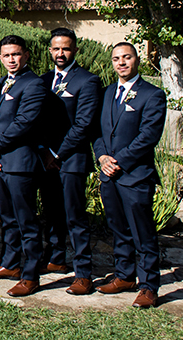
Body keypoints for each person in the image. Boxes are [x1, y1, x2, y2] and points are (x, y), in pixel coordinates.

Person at [94, 42, 166, 309]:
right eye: (116, 58)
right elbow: (97, 132)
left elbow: (148, 136)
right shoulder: (106, 93)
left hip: (135, 176)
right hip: (108, 175)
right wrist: (102, 157)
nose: (121, 62)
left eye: (126, 57)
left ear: (137, 59)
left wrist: (119, 161)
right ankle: (124, 276)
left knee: (142, 233)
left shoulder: (152, 94)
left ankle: (149, 286)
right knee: (118, 229)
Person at [0, 35, 48, 297]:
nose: (11, 59)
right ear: (0, 57)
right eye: (6, 55)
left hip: (20, 163)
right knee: (7, 218)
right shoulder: (1, 83)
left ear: (26, 55)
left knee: (26, 221)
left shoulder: (34, 85)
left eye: (16, 54)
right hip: (0, 163)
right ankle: (10, 263)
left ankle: (31, 275)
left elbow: (23, 122)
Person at [39, 28, 103, 295]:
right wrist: (43, 150)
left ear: (75, 50)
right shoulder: (42, 81)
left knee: (75, 216)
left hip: (71, 159)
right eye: (56, 48)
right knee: (51, 212)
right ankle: (55, 259)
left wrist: (58, 154)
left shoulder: (88, 81)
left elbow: (84, 124)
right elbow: (36, 120)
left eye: (65, 48)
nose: (60, 53)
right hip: (45, 158)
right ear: (50, 50)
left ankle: (84, 273)